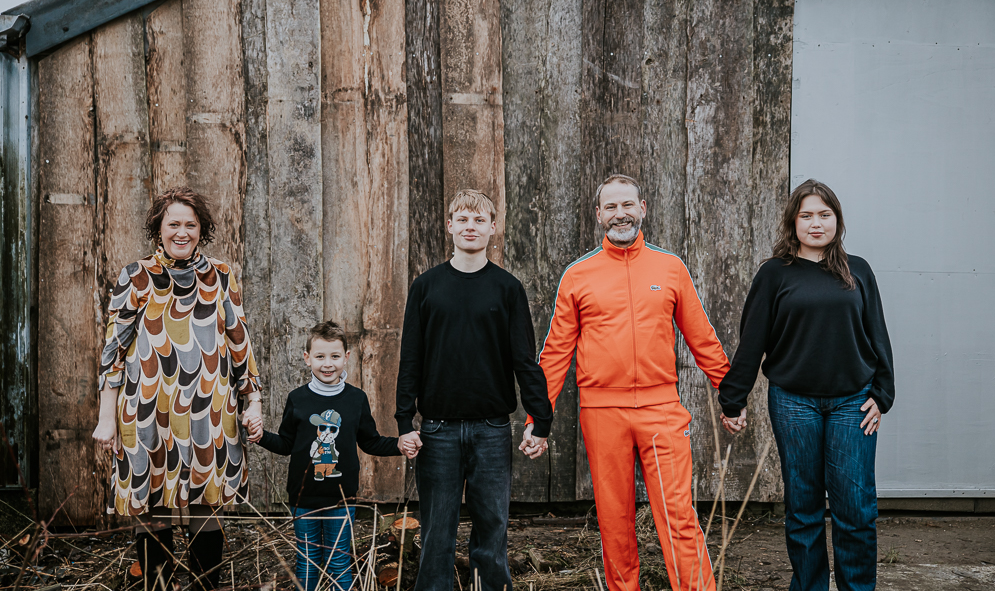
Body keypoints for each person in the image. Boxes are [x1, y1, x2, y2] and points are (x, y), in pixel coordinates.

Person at [532, 174, 731, 591]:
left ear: (642, 209)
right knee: (614, 519)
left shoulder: (670, 267)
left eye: (628, 205)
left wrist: (730, 394)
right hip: (602, 413)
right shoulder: (578, 275)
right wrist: (539, 417)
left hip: (661, 410)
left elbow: (702, 336)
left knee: (678, 515)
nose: (620, 214)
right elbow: (555, 353)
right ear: (599, 215)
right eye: (611, 207)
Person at [718, 179, 894, 591]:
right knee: (803, 506)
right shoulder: (775, 274)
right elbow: (753, 340)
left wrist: (882, 396)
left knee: (856, 508)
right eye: (807, 216)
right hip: (794, 402)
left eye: (825, 215)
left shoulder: (859, 270)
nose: (816, 224)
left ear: (837, 220)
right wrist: (733, 400)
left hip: (853, 403)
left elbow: (878, 336)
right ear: (793, 222)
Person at [91, 187, 263, 591]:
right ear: (158, 229)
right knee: (153, 507)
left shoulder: (221, 275)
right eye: (173, 224)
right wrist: (106, 419)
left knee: (207, 505)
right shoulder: (136, 276)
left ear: (202, 230)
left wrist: (252, 402)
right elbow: (112, 352)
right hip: (147, 412)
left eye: (191, 224)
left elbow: (240, 342)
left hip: (210, 414)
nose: (182, 232)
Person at [395, 189, 554, 591]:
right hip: (437, 431)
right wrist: (403, 421)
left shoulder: (507, 288)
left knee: (492, 529)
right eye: (462, 219)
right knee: (436, 533)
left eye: (479, 220)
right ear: (449, 226)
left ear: (492, 228)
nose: (470, 226)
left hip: (491, 430)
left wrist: (541, 420)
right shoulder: (426, 286)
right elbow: (410, 357)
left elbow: (524, 359)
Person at [252, 321, 401, 591]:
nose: (327, 364)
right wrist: (260, 436)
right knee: (308, 562)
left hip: (341, 498)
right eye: (320, 356)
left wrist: (399, 445)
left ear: (346, 357)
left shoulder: (356, 399)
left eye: (334, 356)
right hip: (303, 497)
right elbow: (286, 444)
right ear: (307, 358)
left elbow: (371, 442)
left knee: (339, 563)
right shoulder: (298, 399)